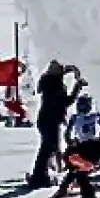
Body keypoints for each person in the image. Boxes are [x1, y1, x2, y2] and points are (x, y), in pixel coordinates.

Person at [60, 94, 100, 198]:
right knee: (80, 170)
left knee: (76, 169)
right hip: (96, 146)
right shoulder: (96, 115)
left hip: (84, 147)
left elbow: (67, 134)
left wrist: (71, 143)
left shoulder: (75, 117)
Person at [31, 59, 76, 189]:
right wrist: (77, 87)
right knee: (48, 148)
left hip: (47, 120)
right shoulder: (55, 85)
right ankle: (39, 177)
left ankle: (42, 174)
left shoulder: (48, 81)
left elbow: (59, 74)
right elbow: (66, 101)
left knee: (49, 148)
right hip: (50, 120)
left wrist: (70, 69)